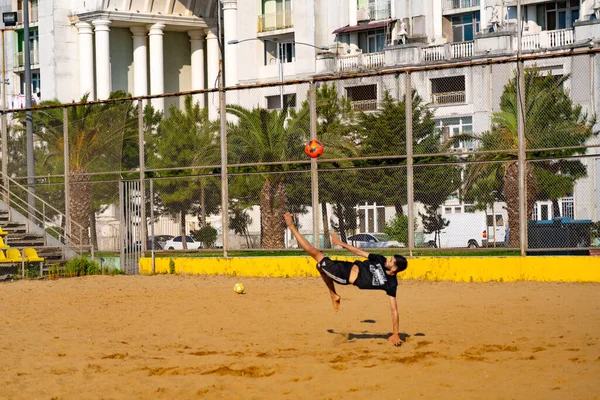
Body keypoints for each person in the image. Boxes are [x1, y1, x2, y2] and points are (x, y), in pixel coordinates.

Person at [284, 213, 408, 346]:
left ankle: (291, 227)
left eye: (391, 261)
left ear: (394, 269)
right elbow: (359, 252)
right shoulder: (380, 259)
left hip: (344, 276)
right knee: (319, 265)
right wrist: (340, 243)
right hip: (346, 265)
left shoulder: (391, 284)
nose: (387, 259)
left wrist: (395, 334)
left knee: (314, 253)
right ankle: (334, 295)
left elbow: (394, 309)